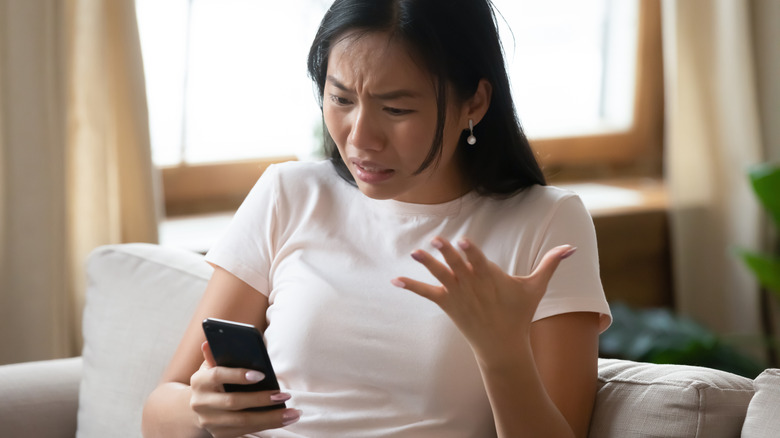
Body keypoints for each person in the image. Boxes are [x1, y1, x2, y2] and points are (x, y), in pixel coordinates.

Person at [142, 0, 612, 436]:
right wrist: (201, 410)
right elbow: (159, 409)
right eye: (341, 100)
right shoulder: (289, 194)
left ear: (474, 102)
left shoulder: (545, 223)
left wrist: (503, 354)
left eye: (396, 108)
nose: (361, 138)